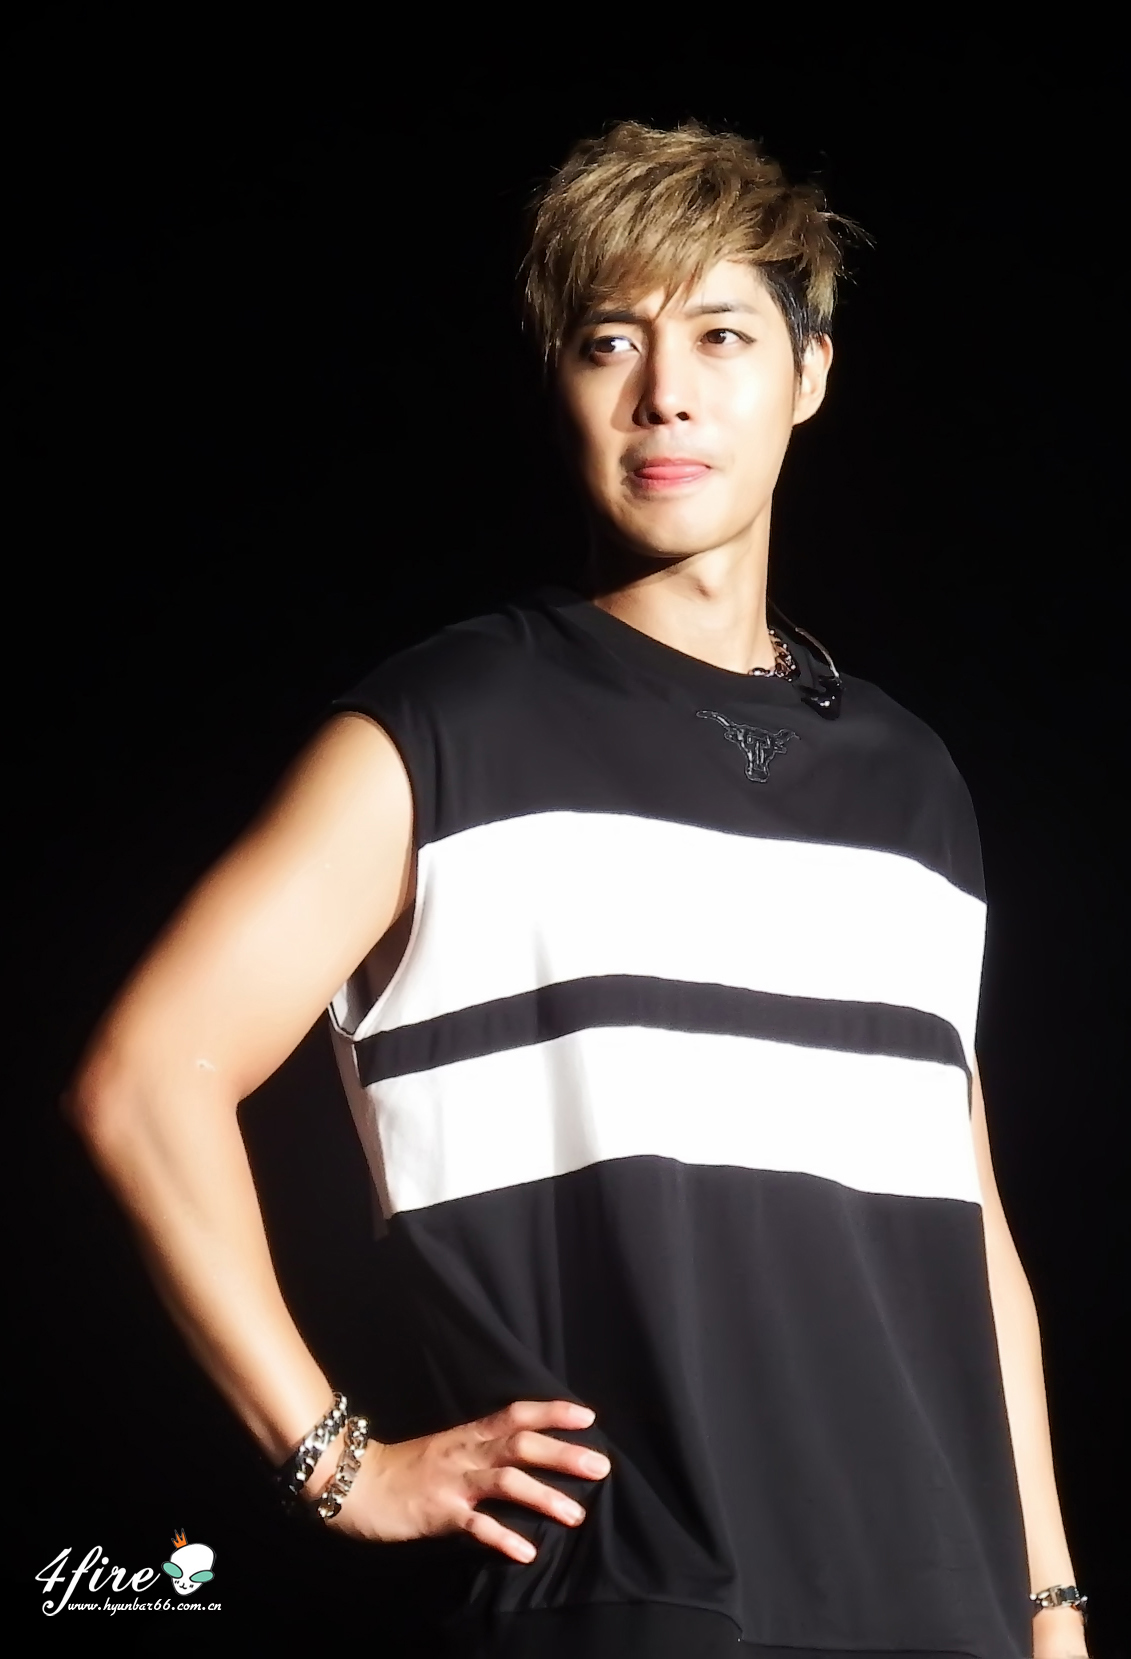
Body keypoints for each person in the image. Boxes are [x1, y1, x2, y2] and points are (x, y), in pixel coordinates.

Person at [68, 121, 1089, 1658]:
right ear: (558, 381)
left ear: (810, 372)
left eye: (722, 336)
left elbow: (971, 1229)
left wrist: (1048, 1602)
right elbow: (147, 1081)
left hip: (943, 1612)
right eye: (612, 340)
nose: (665, 391)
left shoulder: (912, 782)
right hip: (642, 1606)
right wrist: (339, 1465)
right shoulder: (450, 727)